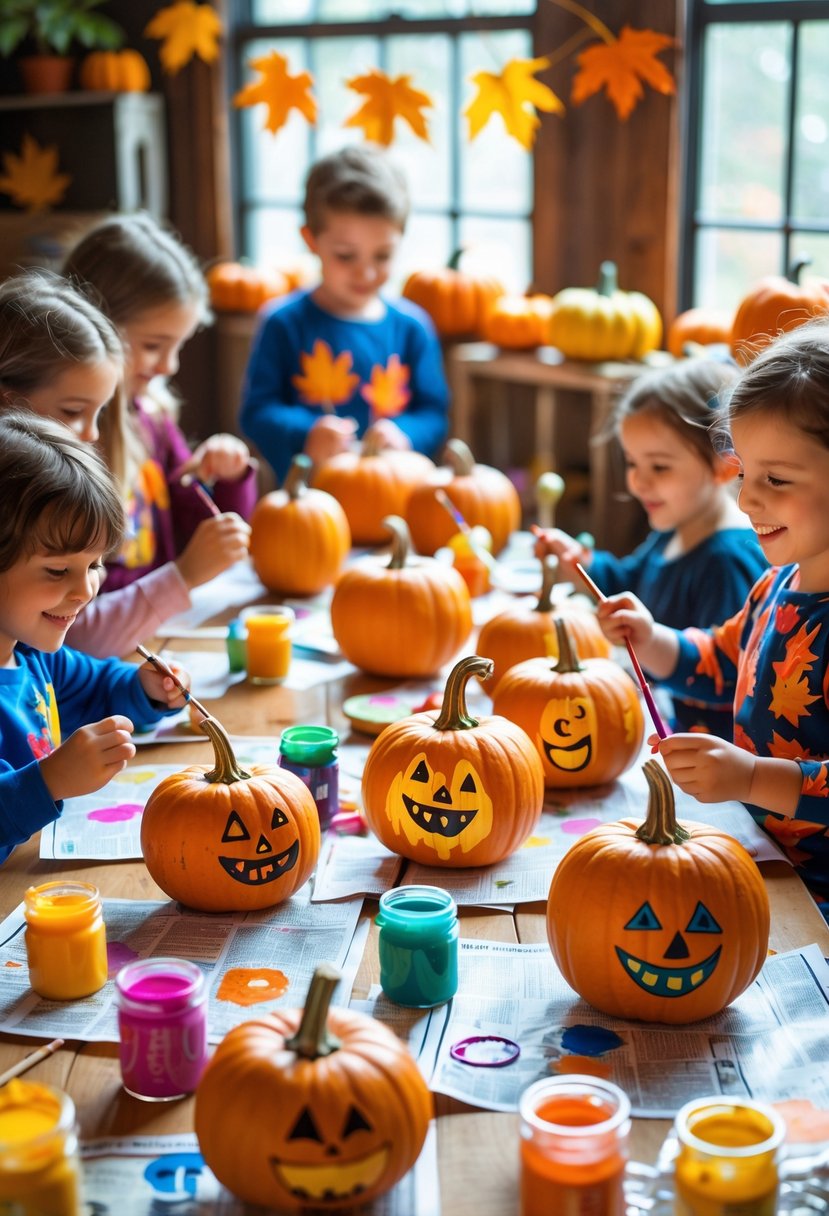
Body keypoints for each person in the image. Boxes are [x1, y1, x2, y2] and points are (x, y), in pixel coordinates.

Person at [595, 322, 829, 909]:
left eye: (776, 479)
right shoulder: (775, 586)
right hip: (765, 863)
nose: (747, 499)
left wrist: (752, 778)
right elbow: (720, 661)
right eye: (746, 473)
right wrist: (652, 641)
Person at [0, 269, 237, 659]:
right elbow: (73, 644)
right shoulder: (28, 506)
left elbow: (61, 669)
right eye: (73, 410)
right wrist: (182, 577)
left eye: (103, 410)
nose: (92, 434)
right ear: (10, 402)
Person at [533, 359, 767, 736]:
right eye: (632, 462)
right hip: (667, 724)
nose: (639, 481)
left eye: (659, 467)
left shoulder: (727, 560)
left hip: (711, 754)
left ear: (725, 465)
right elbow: (633, 580)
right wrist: (581, 567)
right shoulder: (677, 527)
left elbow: (728, 676)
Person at [0, 412, 190, 863]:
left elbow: (100, 687)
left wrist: (143, 689)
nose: (85, 590)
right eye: (57, 570)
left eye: (95, 565)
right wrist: (49, 782)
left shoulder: (32, 656)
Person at [62, 213, 254, 618]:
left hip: (159, 625)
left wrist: (229, 477)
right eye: (153, 346)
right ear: (94, 328)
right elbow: (78, 609)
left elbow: (200, 533)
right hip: (107, 641)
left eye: (178, 347)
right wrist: (182, 576)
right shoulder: (73, 437)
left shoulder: (152, 416)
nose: (169, 366)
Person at [239, 143, 449, 483]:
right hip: (308, 502)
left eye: (382, 257)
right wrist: (309, 432)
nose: (365, 273)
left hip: (395, 494)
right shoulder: (283, 323)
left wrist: (403, 434)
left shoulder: (413, 328)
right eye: (346, 256)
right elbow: (257, 413)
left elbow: (433, 414)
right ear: (311, 240)